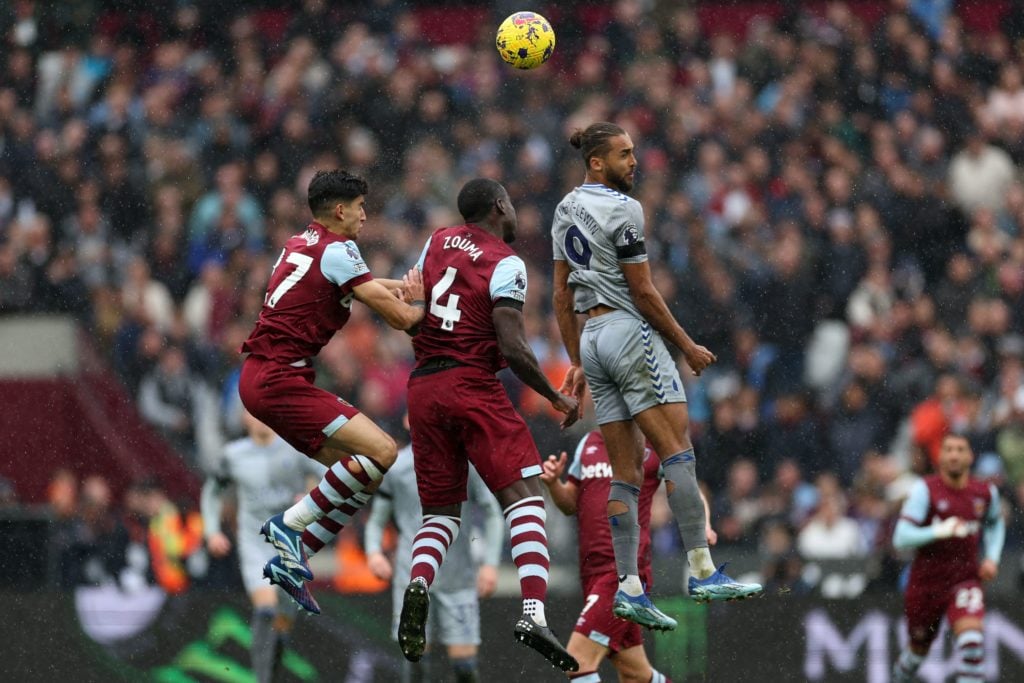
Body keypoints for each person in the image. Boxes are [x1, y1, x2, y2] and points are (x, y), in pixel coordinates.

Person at [550, 122, 761, 630]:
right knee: (677, 452)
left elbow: (560, 294)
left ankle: (629, 588)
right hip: (628, 332)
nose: (634, 162)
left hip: (593, 337)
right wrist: (686, 345)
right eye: (624, 155)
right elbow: (642, 290)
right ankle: (702, 571)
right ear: (597, 162)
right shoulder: (626, 209)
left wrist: (576, 359)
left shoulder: (563, 209)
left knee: (626, 472)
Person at [397, 178, 581, 672]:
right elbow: (514, 344)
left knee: (441, 514)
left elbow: (412, 304)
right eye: (514, 202)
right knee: (524, 496)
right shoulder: (506, 261)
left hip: (424, 390)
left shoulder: (436, 241)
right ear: (500, 205)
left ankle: (418, 584)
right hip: (471, 384)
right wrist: (554, 395)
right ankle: (533, 614)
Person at [238, 169, 425, 614]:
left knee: (358, 474)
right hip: (279, 379)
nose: (365, 215)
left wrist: (402, 287)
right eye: (360, 207)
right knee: (383, 451)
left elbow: (357, 283)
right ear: (339, 210)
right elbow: (400, 321)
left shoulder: (303, 242)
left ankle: (295, 556)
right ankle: (288, 526)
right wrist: (450, 311)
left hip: (265, 378)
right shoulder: (341, 251)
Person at [541, 430, 714, 683]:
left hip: (623, 573)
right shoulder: (588, 442)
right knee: (636, 675)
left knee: (577, 662)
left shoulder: (653, 444)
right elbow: (570, 504)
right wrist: (554, 483)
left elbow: (691, 490)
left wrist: (704, 526)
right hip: (591, 572)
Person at [365, 436, 504, 683]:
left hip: (458, 577)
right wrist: (374, 552)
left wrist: (490, 564)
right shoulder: (397, 469)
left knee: (465, 668)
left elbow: (493, 512)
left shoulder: (466, 465)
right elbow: (376, 520)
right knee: (415, 664)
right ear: (409, 419)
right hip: (411, 580)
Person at [201, 411, 326, 683]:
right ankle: (263, 678)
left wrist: (312, 497)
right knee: (266, 610)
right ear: (244, 418)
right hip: (254, 542)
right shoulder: (234, 455)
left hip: (291, 544)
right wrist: (211, 532)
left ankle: (273, 673)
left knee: (282, 623)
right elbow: (212, 490)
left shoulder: (295, 450)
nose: (259, 418)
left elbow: (331, 477)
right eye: (251, 413)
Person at [891, 433, 1005, 683]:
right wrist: (939, 530)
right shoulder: (925, 490)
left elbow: (995, 525)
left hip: (965, 579)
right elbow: (900, 538)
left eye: (960, 449)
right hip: (926, 585)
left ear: (970, 456)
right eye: (949, 449)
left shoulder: (985, 493)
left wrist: (992, 558)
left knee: (972, 644)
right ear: (939, 457)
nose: (954, 455)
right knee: (917, 653)